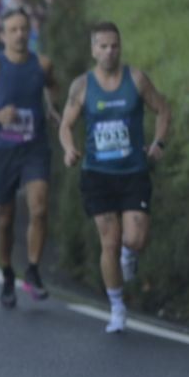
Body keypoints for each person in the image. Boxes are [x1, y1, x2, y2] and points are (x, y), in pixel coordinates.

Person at [59, 22, 171, 333]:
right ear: (93, 50)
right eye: (103, 46)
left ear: (120, 48)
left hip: (133, 172)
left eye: (114, 46)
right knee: (108, 242)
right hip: (97, 175)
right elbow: (65, 125)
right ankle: (117, 308)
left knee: (133, 238)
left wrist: (159, 142)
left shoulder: (135, 80)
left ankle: (129, 253)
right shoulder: (82, 86)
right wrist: (69, 150)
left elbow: (163, 108)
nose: (110, 51)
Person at [0, 8, 60, 308]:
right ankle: (7, 274)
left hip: (34, 147)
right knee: (4, 217)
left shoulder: (42, 65)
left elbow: (53, 87)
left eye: (23, 29)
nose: (19, 34)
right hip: (3, 150)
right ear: (3, 35)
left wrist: (55, 108)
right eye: (13, 29)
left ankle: (31, 270)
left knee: (39, 207)